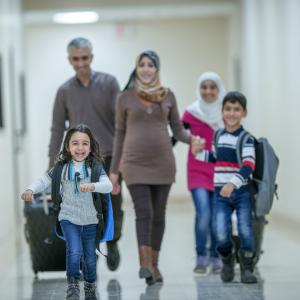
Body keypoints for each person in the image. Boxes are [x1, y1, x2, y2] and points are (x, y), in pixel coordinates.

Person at [109, 50, 197, 285]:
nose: (146, 69)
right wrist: (114, 171)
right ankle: (145, 264)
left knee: (159, 215)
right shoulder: (124, 98)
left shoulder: (167, 96)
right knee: (143, 212)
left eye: (151, 65)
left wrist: (193, 140)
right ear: (136, 68)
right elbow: (119, 133)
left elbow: (177, 130)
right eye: (142, 65)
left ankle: (154, 266)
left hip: (163, 163)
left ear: (157, 69)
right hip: (134, 163)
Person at [48, 37, 123, 271]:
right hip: (80, 159)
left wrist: (119, 165)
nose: (80, 63)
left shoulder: (110, 84)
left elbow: (121, 125)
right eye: (75, 59)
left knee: (112, 204)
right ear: (70, 60)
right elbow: (57, 129)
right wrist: (53, 166)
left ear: (91, 57)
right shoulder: (64, 91)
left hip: (109, 155)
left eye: (84, 58)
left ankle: (112, 242)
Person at [21, 124, 113, 299]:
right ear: (67, 146)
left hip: (90, 219)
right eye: (75, 143)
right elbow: (43, 181)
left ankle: (90, 286)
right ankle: (73, 286)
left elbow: (108, 186)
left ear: (91, 146)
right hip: (68, 218)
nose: (80, 148)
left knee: (89, 256)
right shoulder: (61, 168)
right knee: (74, 251)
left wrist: (93, 185)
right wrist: (30, 190)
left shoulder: (95, 167)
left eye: (85, 143)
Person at [192, 91, 257, 284]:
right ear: (222, 112)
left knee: (245, 230)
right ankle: (227, 261)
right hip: (221, 193)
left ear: (244, 113)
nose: (232, 113)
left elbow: (248, 165)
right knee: (220, 231)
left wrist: (232, 184)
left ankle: (246, 268)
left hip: (241, 192)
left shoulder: (246, 138)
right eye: (228, 109)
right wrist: (198, 153)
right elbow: (215, 158)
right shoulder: (218, 135)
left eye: (237, 109)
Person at [180, 72, 225, 274]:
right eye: (204, 87)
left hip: (221, 170)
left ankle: (215, 256)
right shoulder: (191, 113)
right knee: (204, 212)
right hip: (197, 169)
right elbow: (176, 133)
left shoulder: (226, 112)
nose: (207, 91)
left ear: (218, 89)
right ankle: (200, 256)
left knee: (216, 215)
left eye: (212, 87)